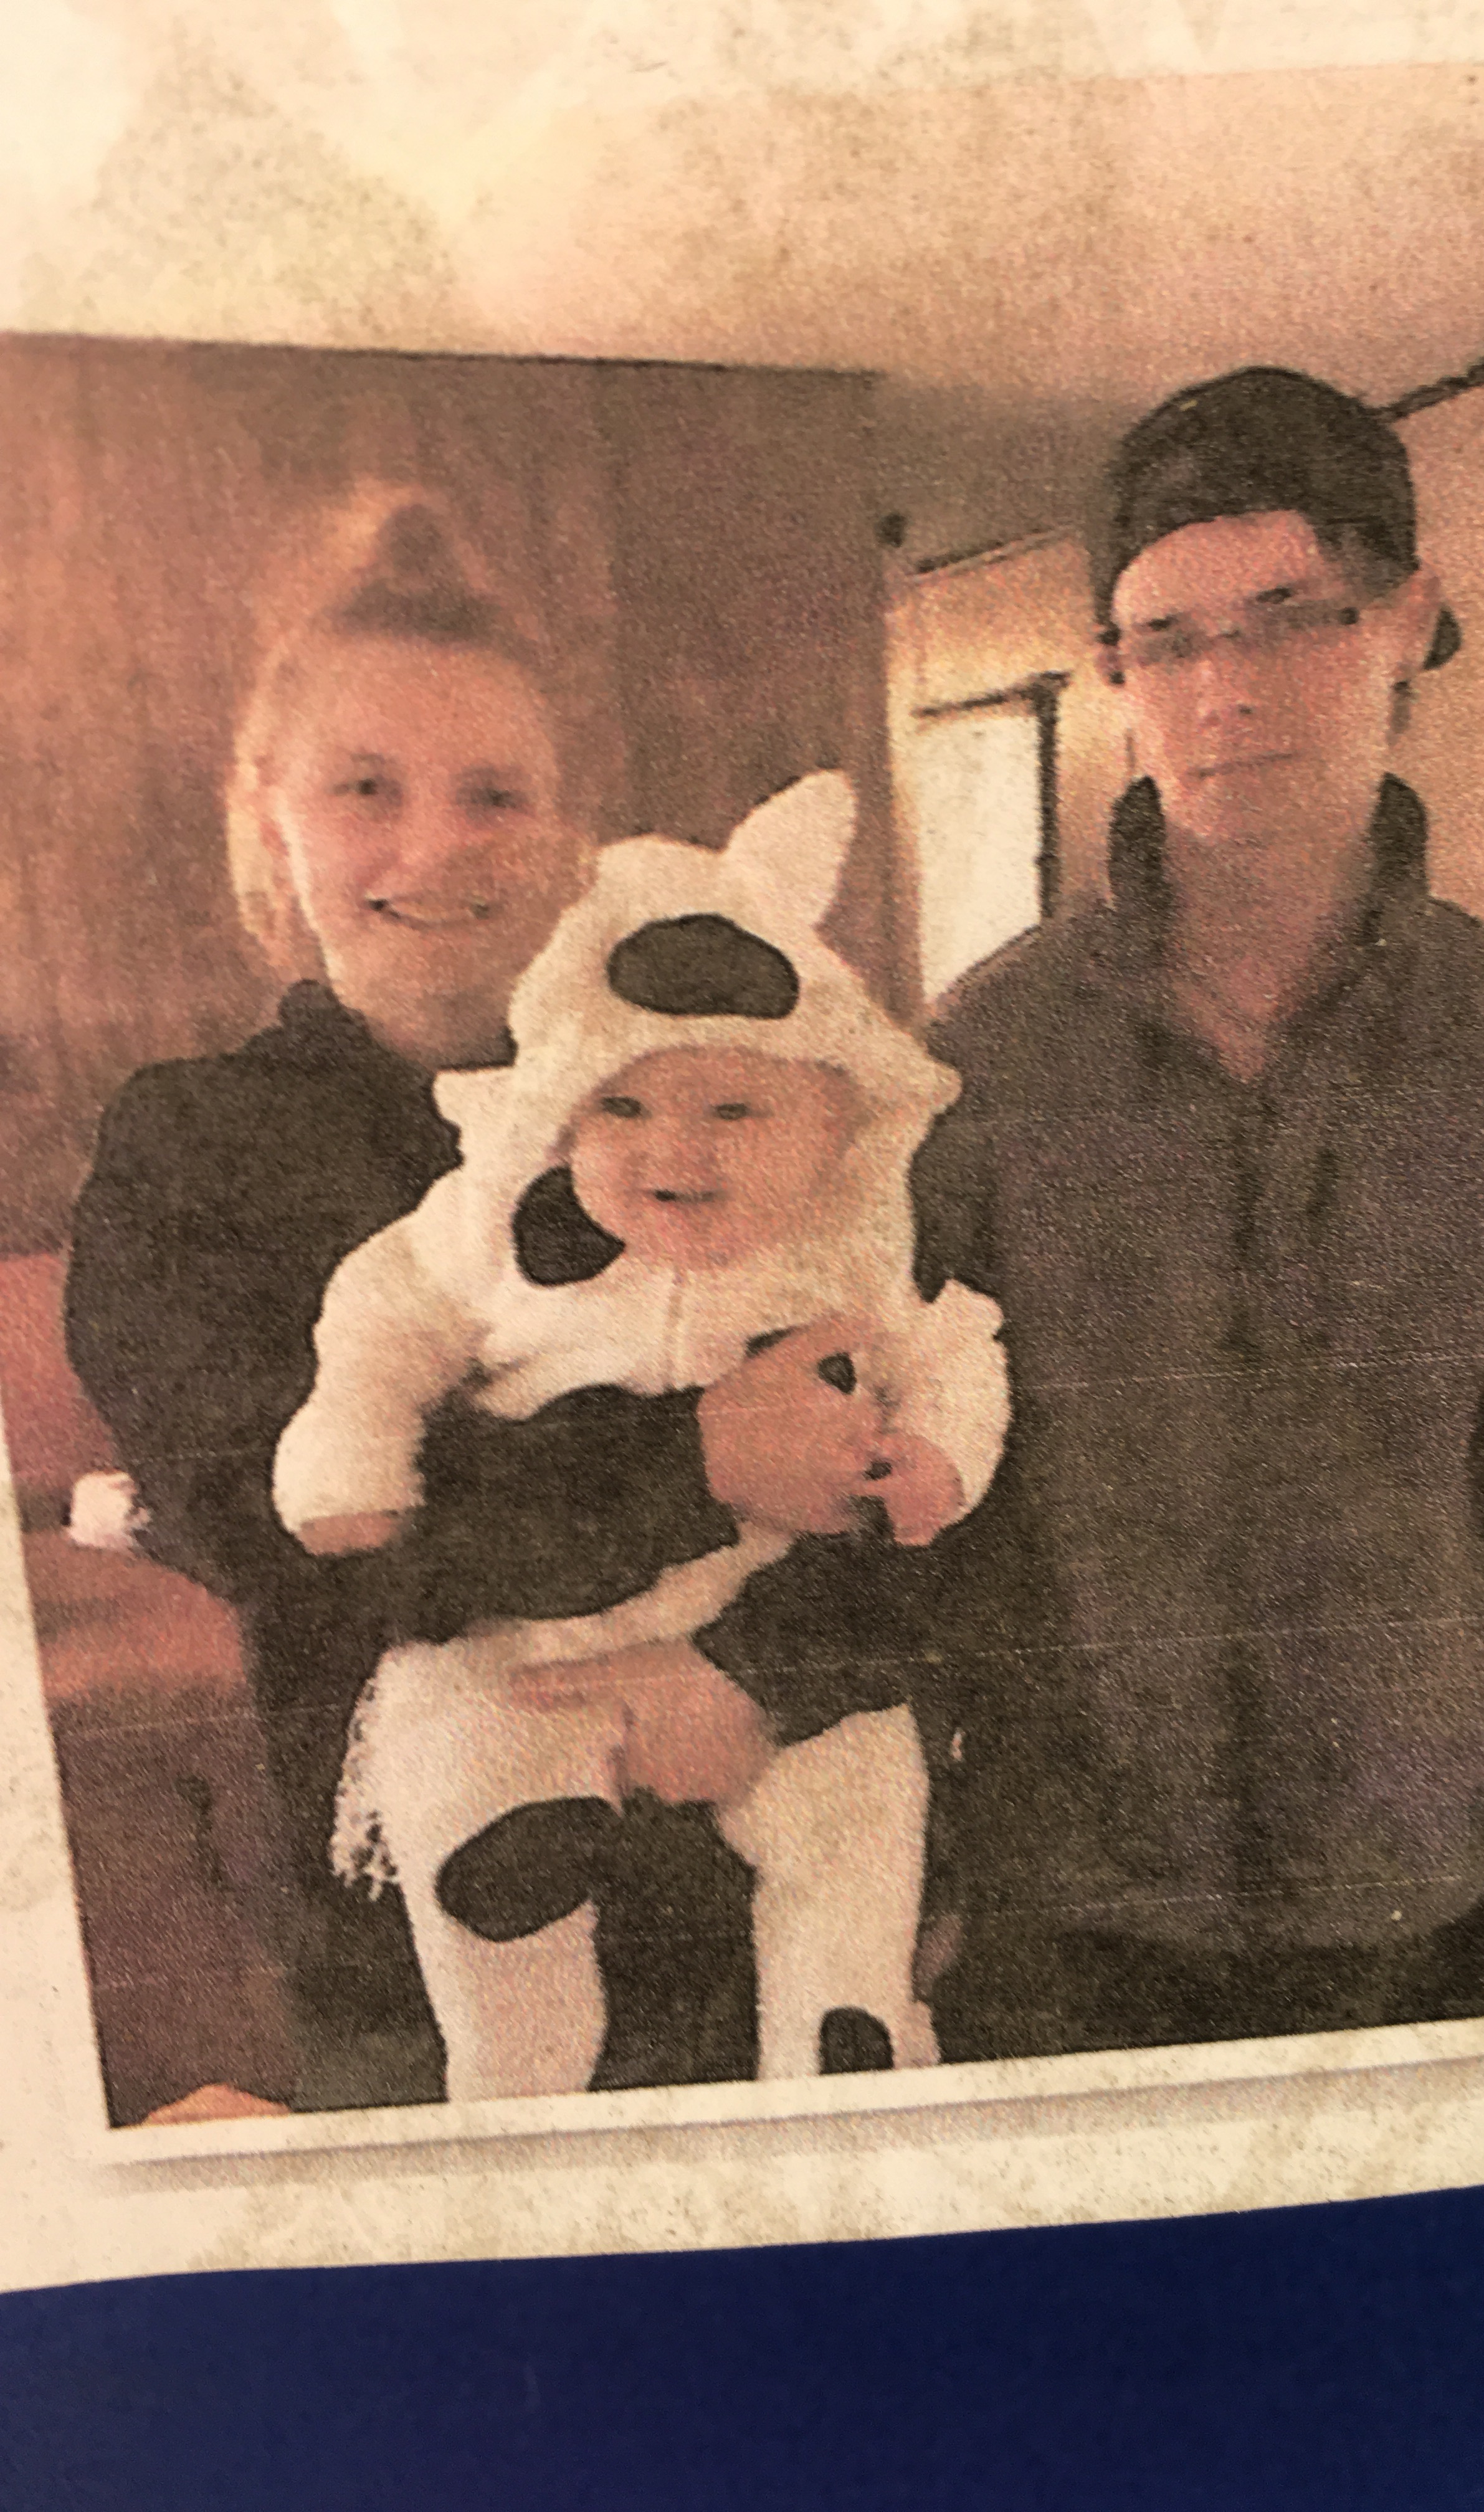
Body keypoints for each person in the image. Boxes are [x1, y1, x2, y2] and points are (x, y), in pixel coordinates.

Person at [693, 366, 1484, 2061]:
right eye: (1168, 640)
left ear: (1406, 622)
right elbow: (901, 1484)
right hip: (1069, 1910)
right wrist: (926, 1858)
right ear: (1118, 675)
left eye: (1291, 618)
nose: (1227, 690)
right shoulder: (982, 1061)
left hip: (1428, 1908)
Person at [65, 492, 888, 2111]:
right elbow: (299, 1535)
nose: (436, 846)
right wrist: (696, 1463)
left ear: (572, 836)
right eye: (366, 788)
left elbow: (907, 1464)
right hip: (418, 1981)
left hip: (768, 1929)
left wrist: (762, 1678)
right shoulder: (188, 1148)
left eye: (492, 793)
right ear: (271, 818)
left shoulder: (735, 1099)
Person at [272, 772, 1007, 2096]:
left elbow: (958, 1348)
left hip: (772, 1625)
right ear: (560, 1114)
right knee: (462, 1743)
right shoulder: (497, 1227)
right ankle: (516, 2059)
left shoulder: (855, 1249)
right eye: (622, 1109)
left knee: (861, 1796)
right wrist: (351, 1446)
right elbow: (384, 1314)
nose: (677, 1150)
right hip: (531, 1639)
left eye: (734, 1112)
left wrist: (941, 1456)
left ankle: (842, 2028)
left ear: (834, 1120)